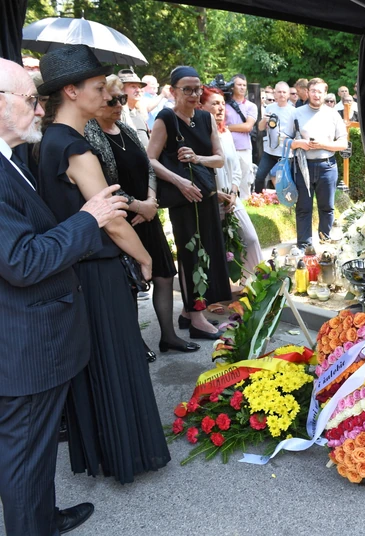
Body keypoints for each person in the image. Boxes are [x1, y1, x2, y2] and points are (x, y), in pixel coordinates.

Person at [0, 55, 129, 536]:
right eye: (30, 100)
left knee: (32, 451)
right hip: (23, 341)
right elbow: (22, 261)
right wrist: (88, 218)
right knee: (24, 451)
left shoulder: (10, 159)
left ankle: (42, 517)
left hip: (28, 333)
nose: (40, 110)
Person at [36, 44, 172, 487]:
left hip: (77, 269)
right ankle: (126, 454)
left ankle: (109, 452)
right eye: (98, 87)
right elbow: (110, 218)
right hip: (96, 269)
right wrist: (145, 257)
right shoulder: (75, 147)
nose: (108, 95)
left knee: (97, 362)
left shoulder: (49, 142)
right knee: (117, 358)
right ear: (71, 92)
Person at [84, 74, 199, 356]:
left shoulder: (125, 128)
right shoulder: (89, 135)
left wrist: (150, 202)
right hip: (122, 217)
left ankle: (168, 336)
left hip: (147, 213)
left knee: (164, 275)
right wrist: (138, 206)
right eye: (112, 101)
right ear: (99, 100)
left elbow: (148, 166)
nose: (119, 105)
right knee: (132, 283)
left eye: (122, 99)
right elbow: (101, 185)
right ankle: (135, 343)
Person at [147, 66, 230, 339]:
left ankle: (187, 312)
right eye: (187, 89)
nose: (194, 94)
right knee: (190, 255)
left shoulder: (206, 118)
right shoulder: (166, 118)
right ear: (173, 91)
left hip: (205, 196)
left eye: (197, 89)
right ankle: (196, 319)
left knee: (208, 252)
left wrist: (197, 158)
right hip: (182, 199)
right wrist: (179, 181)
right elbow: (150, 159)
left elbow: (219, 159)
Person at [200, 86, 263, 276]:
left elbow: (235, 167)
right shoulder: (198, 136)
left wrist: (234, 193)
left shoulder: (226, 132)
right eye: (215, 104)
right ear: (201, 107)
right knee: (216, 247)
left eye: (222, 103)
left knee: (250, 238)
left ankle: (256, 281)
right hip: (211, 198)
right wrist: (214, 194)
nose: (221, 108)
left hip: (231, 197)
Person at [290, 77, 348, 248]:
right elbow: (284, 140)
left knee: (327, 207)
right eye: (313, 91)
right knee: (303, 208)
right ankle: (304, 246)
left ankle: (325, 243)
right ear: (307, 92)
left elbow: (343, 144)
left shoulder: (333, 114)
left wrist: (323, 145)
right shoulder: (296, 113)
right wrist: (299, 143)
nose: (316, 95)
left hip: (327, 166)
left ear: (325, 93)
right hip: (303, 166)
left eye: (320, 92)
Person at [255, 81, 296, 193]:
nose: (281, 94)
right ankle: (258, 198)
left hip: (286, 153)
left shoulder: (294, 111)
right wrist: (264, 120)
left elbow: (296, 132)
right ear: (275, 94)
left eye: (284, 92)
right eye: (279, 92)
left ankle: (287, 199)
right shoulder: (269, 108)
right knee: (259, 177)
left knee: (285, 180)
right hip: (270, 151)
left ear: (288, 94)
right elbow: (260, 128)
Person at [225, 74, 258, 200]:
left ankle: (245, 206)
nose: (242, 87)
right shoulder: (224, 105)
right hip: (227, 148)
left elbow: (248, 126)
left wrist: (227, 127)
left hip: (244, 149)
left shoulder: (251, 106)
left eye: (244, 85)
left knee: (245, 182)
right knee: (228, 180)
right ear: (232, 86)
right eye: (239, 84)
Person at [118, 68, 151, 147]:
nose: (138, 90)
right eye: (133, 86)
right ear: (121, 89)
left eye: (139, 87)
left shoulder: (139, 112)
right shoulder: (118, 114)